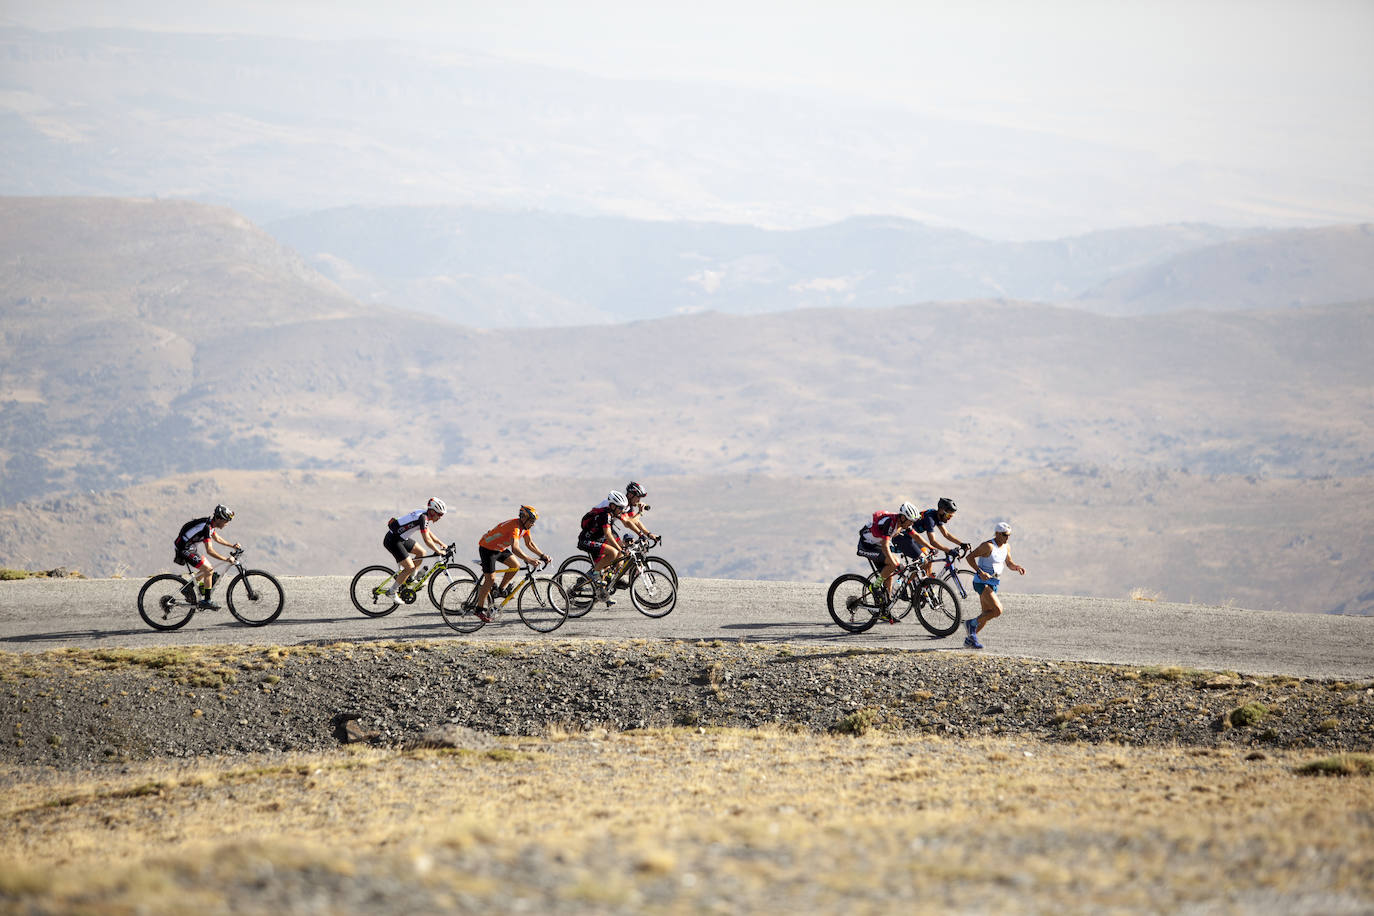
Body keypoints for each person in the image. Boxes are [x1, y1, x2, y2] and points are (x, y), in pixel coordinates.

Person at [475, 505, 549, 620]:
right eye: (531, 521)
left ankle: (499, 590)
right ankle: (479, 609)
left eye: (533, 522)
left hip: (499, 548)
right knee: (490, 579)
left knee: (515, 566)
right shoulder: (515, 528)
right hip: (487, 549)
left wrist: (542, 555)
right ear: (523, 518)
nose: (533, 524)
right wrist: (529, 560)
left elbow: (529, 543)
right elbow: (515, 549)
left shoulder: (524, 527)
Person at [963, 522, 1026, 649]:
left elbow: (1008, 562)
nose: (1007, 538)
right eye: (1004, 535)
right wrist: (980, 572)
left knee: (986, 613)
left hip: (994, 583)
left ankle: (970, 639)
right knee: (997, 610)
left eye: (1009, 535)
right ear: (997, 534)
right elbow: (969, 557)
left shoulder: (1006, 547)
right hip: (981, 582)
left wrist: (1016, 567)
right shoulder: (988, 546)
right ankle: (971, 623)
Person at [173, 504, 240, 609]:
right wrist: (226, 559)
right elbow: (209, 550)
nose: (226, 524)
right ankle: (207, 601)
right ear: (218, 519)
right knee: (208, 570)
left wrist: (232, 546)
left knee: (208, 569)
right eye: (225, 521)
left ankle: (188, 588)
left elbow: (217, 538)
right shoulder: (206, 527)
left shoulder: (211, 525)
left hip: (190, 548)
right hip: (183, 548)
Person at [855, 502, 921, 608]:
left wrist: (931, 548)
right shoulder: (890, 523)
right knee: (893, 564)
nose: (911, 524)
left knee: (889, 574)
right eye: (910, 521)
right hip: (866, 546)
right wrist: (894, 563)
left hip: (877, 545)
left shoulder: (903, 524)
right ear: (903, 517)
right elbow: (885, 546)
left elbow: (916, 536)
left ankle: (885, 605)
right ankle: (875, 586)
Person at [384, 497, 449, 599]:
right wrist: (438, 551)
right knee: (409, 567)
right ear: (432, 512)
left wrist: (440, 543)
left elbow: (429, 533)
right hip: (393, 540)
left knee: (421, 552)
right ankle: (392, 591)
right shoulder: (423, 518)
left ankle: (410, 578)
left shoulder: (424, 515)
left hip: (400, 538)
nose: (440, 517)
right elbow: (427, 539)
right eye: (440, 514)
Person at [578, 491, 631, 604]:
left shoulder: (610, 515)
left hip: (597, 540)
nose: (622, 511)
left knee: (611, 562)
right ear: (612, 506)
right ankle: (593, 574)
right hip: (586, 541)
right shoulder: (605, 515)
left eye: (623, 508)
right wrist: (619, 548)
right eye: (620, 508)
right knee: (613, 552)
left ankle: (603, 593)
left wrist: (623, 547)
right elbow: (608, 535)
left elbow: (613, 535)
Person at [894, 497, 969, 574]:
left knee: (928, 560)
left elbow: (946, 534)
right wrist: (949, 551)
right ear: (941, 511)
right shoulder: (930, 518)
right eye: (948, 516)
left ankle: (927, 580)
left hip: (912, 538)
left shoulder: (936, 516)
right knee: (924, 561)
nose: (948, 519)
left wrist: (961, 544)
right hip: (904, 538)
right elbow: (933, 542)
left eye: (951, 517)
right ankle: (913, 580)